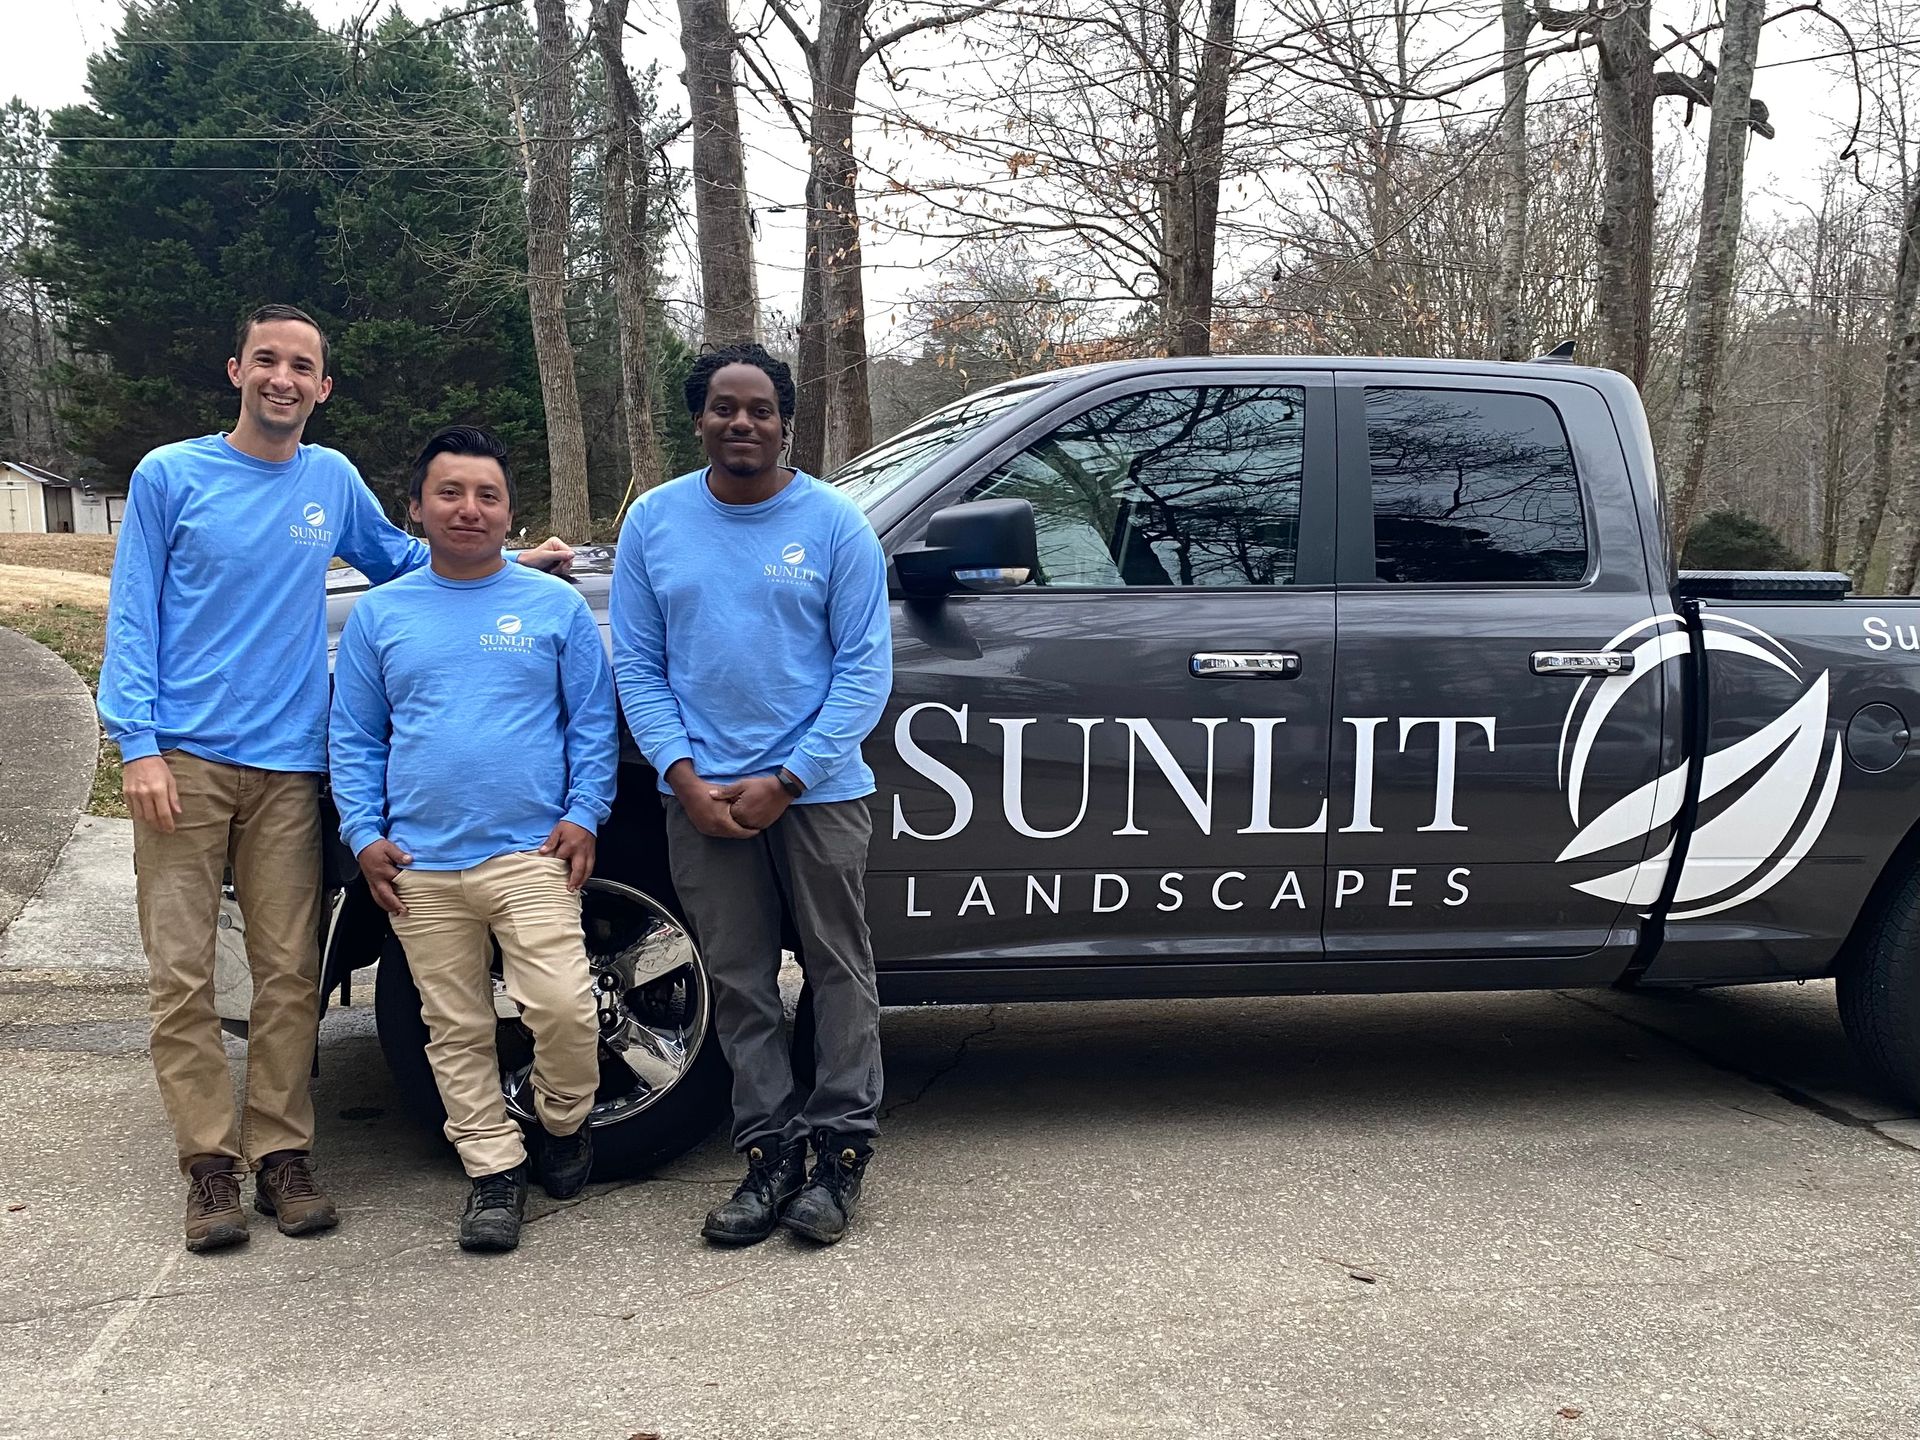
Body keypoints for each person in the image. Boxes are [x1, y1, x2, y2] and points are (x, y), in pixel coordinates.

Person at [99, 305, 572, 1254]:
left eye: (301, 366)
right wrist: (136, 743)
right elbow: (133, 612)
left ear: (323, 387)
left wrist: (509, 562)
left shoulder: (330, 479)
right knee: (183, 975)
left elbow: (408, 559)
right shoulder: (171, 475)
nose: (282, 378)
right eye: (266, 360)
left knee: (288, 974)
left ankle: (282, 1152)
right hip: (183, 759)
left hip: (290, 764)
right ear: (236, 369)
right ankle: (209, 1166)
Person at [611, 343, 891, 1247]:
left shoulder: (836, 524)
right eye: (725, 407)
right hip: (703, 797)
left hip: (819, 792)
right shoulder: (654, 522)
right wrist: (682, 777)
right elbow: (638, 666)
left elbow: (863, 671)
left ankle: (841, 1154)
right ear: (699, 419)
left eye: (761, 409)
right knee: (737, 982)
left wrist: (791, 777)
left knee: (840, 972)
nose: (743, 422)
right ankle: (768, 1153)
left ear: (784, 422)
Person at [329, 425, 614, 1254]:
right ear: (415, 508)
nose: (468, 508)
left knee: (564, 1008)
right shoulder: (381, 614)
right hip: (419, 866)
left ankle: (563, 1123)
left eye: (487, 495)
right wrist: (363, 834)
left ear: (509, 512)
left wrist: (585, 813)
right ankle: (493, 1171)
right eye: (449, 493)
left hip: (531, 855)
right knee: (453, 1029)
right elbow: (355, 738)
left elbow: (591, 723)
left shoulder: (553, 606)